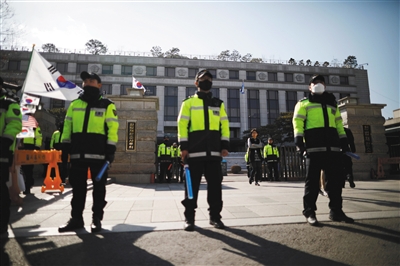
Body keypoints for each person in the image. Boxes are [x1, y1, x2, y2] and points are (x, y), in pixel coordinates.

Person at [58, 71, 119, 233]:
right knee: (77, 190)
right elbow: (67, 128)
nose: (87, 82)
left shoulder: (107, 105)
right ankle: (76, 219)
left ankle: (96, 219)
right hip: (78, 154)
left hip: (100, 155)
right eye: (85, 80)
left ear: (99, 85)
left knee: (99, 189)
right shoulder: (74, 104)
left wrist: (111, 149)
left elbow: (113, 129)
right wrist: (64, 148)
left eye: (91, 80)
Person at [293, 74, 354, 226]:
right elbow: (298, 123)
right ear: (309, 87)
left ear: (325, 86)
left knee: (335, 182)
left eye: (320, 82)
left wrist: (344, 142)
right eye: (315, 82)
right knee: (312, 182)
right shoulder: (303, 103)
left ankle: (336, 211)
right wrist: (299, 143)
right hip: (313, 148)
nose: (318, 84)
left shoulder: (332, 104)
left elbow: (339, 124)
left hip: (333, 148)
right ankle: (309, 212)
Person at [178, 69, 230, 231]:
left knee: (215, 187)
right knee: (191, 187)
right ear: (196, 82)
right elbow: (182, 125)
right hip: (194, 153)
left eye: (209, 79)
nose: (206, 81)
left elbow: (225, 125)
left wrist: (224, 145)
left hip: (214, 153)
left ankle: (215, 217)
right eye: (203, 79)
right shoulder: (188, 103)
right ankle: (189, 218)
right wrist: (184, 147)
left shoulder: (218, 104)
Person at [0, 77, 22, 235]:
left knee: (1, 189)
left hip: (2, 151)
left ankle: (1, 224)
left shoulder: (9, 104)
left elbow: (14, 125)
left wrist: (4, 143)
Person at [21, 122, 42, 195]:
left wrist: (37, 147)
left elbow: (38, 136)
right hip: (22, 147)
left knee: (28, 169)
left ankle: (28, 186)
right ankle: (28, 184)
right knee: (24, 169)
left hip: (30, 148)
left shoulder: (34, 124)